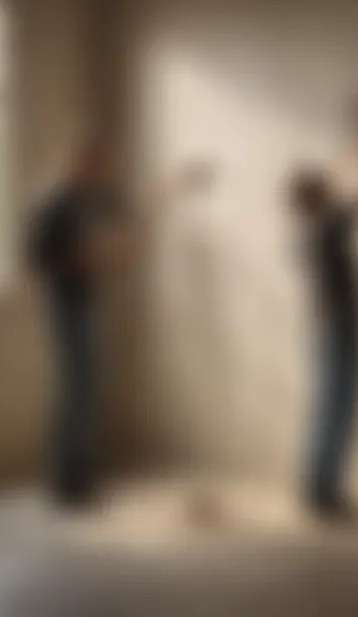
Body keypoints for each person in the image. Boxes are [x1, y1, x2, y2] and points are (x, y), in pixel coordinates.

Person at [27, 138, 213, 507]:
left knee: (87, 388)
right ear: (77, 163)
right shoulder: (54, 204)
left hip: (85, 301)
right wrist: (95, 257)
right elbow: (39, 260)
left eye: (101, 169)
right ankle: (67, 482)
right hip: (66, 304)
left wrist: (177, 183)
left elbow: (134, 210)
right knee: (76, 390)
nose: (100, 176)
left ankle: (80, 476)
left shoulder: (90, 198)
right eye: (94, 167)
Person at [289, 89, 358, 521]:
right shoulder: (329, 226)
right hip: (340, 327)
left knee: (331, 404)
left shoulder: (310, 226)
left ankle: (321, 488)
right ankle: (323, 493)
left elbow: (335, 175)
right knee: (338, 404)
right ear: (320, 195)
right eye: (327, 186)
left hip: (330, 326)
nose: (333, 186)